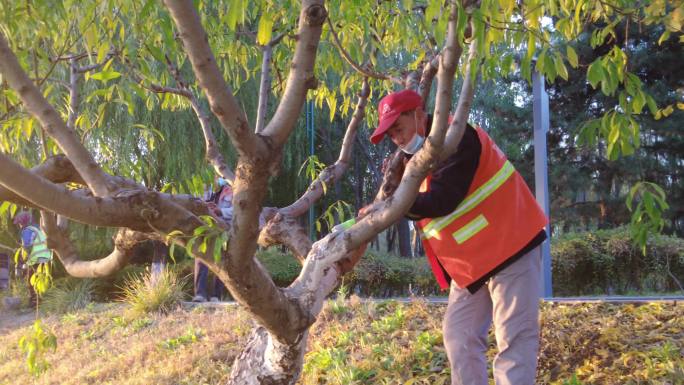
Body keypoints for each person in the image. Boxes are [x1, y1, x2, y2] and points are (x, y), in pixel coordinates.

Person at [368, 89, 548, 385]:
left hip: (511, 246)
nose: (396, 139)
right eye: (390, 135)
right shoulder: (415, 161)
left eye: (398, 129)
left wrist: (393, 205)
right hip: (472, 264)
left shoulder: (458, 137)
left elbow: (443, 200)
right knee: (459, 338)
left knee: (513, 340)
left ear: (418, 114)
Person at [193, 178, 231, 302]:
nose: (217, 178)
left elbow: (238, 210)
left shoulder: (232, 190)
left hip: (223, 231)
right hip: (204, 228)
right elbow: (193, 204)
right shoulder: (203, 188)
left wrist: (221, 211)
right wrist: (204, 206)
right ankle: (200, 294)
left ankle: (216, 296)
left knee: (220, 260)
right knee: (201, 259)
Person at [13, 210, 53, 306]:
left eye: (20, 223)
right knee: (41, 277)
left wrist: (24, 262)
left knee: (32, 279)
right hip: (46, 256)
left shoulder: (27, 231)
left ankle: (35, 301)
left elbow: (28, 248)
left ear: (23, 222)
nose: (19, 225)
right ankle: (40, 299)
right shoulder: (37, 227)